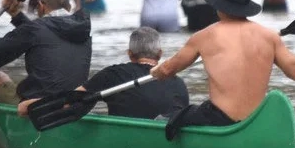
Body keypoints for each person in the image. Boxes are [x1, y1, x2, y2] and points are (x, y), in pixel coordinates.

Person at [150, 0, 295, 139]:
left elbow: (167, 70)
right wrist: (275, 44)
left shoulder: (204, 36)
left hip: (219, 119)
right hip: (255, 120)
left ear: (219, 5)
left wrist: (155, 71)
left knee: (169, 118)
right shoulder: (269, 36)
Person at [19, 27, 190, 120]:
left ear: (130, 54)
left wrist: (32, 105)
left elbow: (70, 101)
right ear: (159, 54)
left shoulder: (113, 74)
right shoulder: (179, 84)